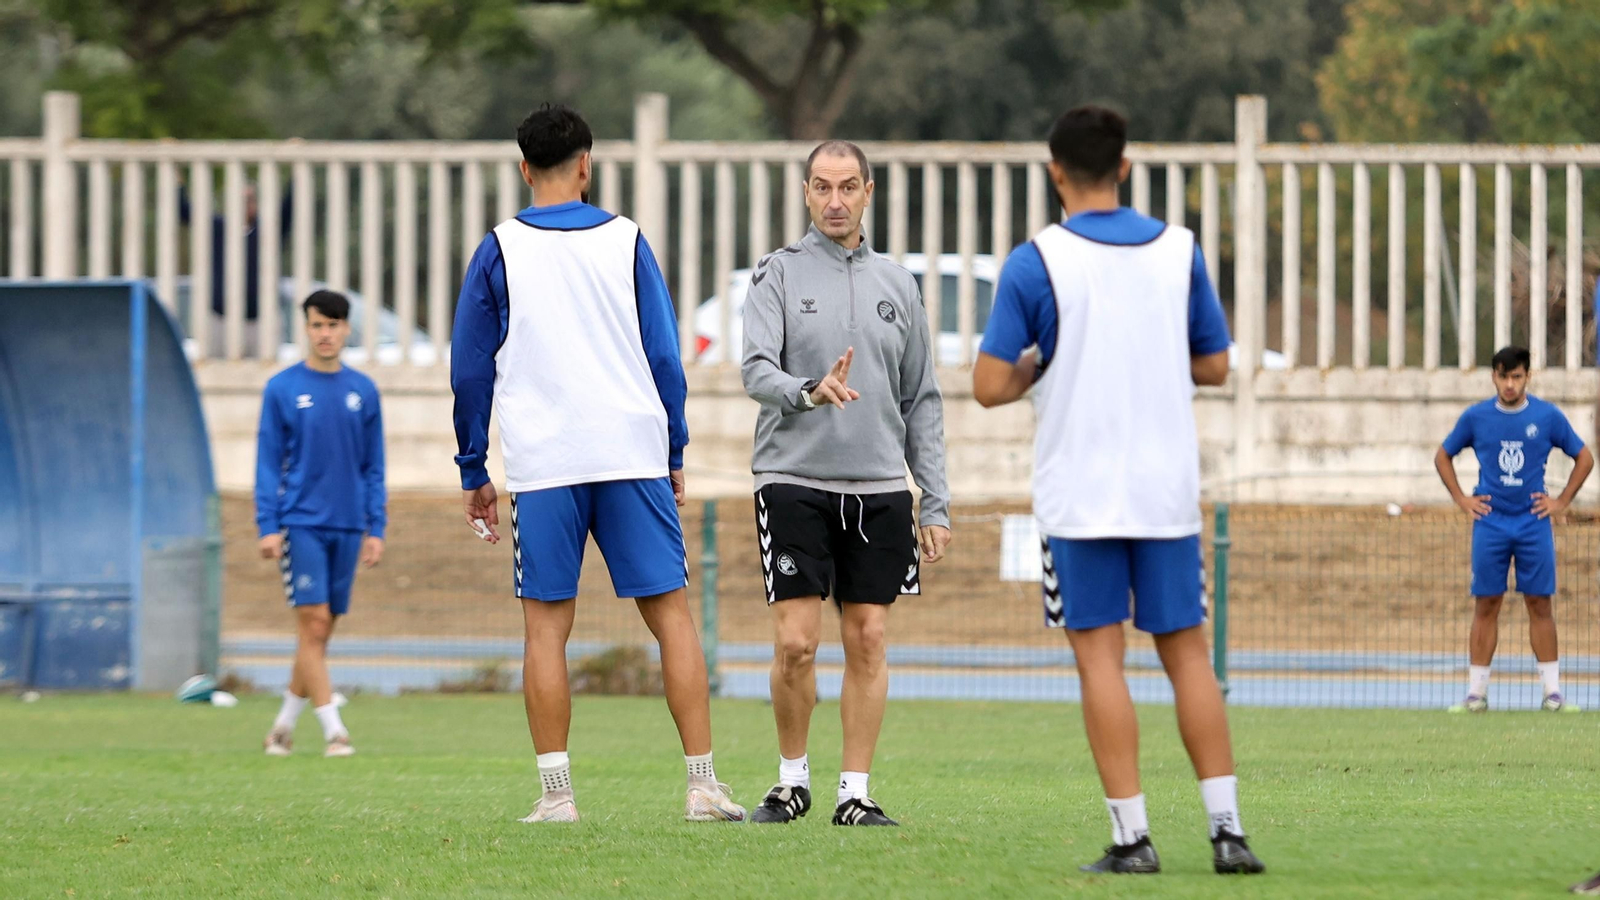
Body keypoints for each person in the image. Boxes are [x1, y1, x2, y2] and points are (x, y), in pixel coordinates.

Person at [971, 105, 1264, 875]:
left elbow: (989, 383)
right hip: (1165, 490)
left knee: (1100, 661)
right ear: (1126, 168)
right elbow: (1215, 366)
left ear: (1054, 172)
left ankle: (1133, 839)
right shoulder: (1180, 250)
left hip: (1079, 492)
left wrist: (1040, 365)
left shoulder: (1036, 261)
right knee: (1189, 658)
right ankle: (1227, 832)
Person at [450, 103, 744, 825]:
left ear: (524, 169)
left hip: (546, 461)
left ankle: (557, 797)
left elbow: (468, 370)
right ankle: (703, 787)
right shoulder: (628, 241)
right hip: (629, 450)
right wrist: (674, 447)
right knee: (672, 617)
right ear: (587, 163)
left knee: (545, 631)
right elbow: (666, 356)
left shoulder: (498, 249)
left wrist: (472, 467)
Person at [740, 139, 951, 827]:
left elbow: (923, 397)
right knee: (796, 643)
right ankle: (791, 780)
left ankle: (853, 793)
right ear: (806, 192)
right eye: (823, 187)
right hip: (793, 479)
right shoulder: (777, 273)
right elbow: (755, 371)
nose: (836, 200)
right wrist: (809, 390)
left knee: (869, 640)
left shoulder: (900, 283)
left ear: (868, 192)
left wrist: (935, 501)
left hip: (882, 489)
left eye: (849, 187)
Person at [256, 289, 386, 758]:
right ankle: (335, 730)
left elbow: (374, 466)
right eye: (316, 325)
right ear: (305, 328)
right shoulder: (283, 388)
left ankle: (281, 728)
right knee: (312, 624)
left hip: (349, 526)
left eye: (332, 325)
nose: (324, 333)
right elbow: (268, 464)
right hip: (301, 524)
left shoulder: (363, 391)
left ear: (346, 328)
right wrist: (267, 524)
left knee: (321, 631)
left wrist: (377, 528)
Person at [1434, 345, 1592, 714]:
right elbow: (1443, 456)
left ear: (1527, 376)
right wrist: (1461, 499)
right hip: (1490, 523)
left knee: (1540, 602)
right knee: (1487, 603)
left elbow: (1584, 457)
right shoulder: (1476, 417)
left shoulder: (1547, 416)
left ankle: (1553, 695)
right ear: (1493, 376)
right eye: (1503, 376)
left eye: (1516, 376)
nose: (1509, 384)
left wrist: (1562, 501)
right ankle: (1476, 695)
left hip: (1533, 523)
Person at [180, 182, 294, 357]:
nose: (244, 204)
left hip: (261, 322)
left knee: (264, 375)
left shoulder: (270, 228)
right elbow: (185, 211)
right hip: (220, 321)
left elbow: (290, 206)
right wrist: (177, 183)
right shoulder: (217, 227)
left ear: (255, 203)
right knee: (216, 376)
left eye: (248, 199)